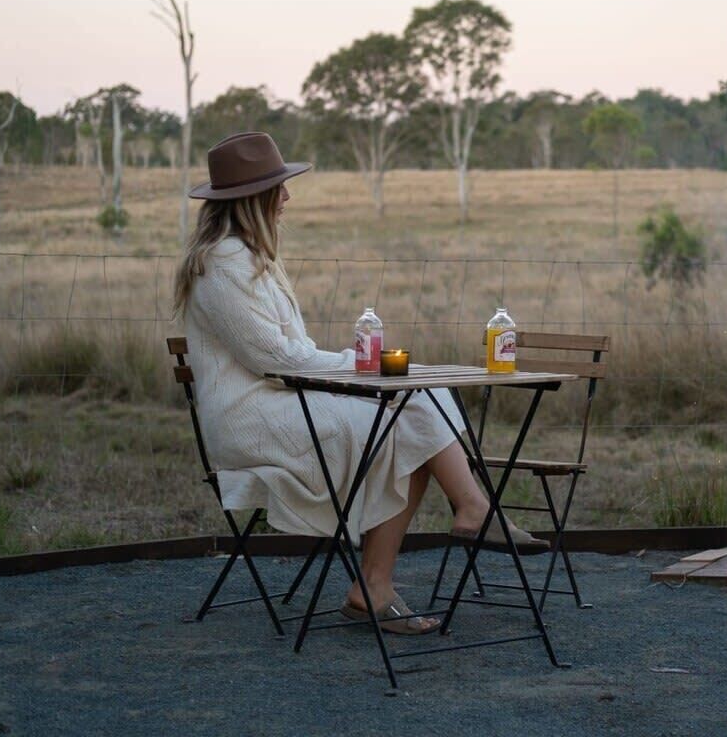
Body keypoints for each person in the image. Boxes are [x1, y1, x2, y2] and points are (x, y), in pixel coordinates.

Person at [173, 132, 547, 634]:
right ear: (252, 200)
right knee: (402, 419)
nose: (287, 197)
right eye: (278, 189)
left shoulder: (251, 258)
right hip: (252, 417)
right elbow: (274, 358)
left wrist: (367, 371)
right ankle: (447, 530)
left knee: (416, 405)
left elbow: (288, 355)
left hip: (284, 398)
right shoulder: (223, 265)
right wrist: (361, 366)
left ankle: (405, 561)